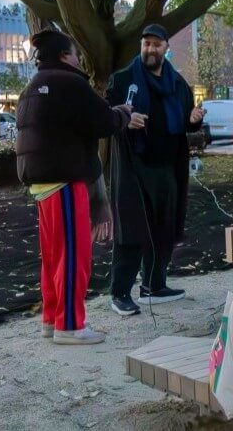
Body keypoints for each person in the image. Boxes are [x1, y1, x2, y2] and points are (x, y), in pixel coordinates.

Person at [15, 29, 145, 344]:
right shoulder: (71, 83)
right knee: (74, 256)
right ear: (64, 55)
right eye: (74, 53)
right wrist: (125, 113)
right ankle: (71, 326)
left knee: (52, 257)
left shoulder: (31, 88)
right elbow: (103, 122)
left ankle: (52, 319)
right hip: (66, 182)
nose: (78, 58)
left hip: (41, 185)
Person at [106, 24, 205, 316]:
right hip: (134, 167)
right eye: (146, 43)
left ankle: (154, 285)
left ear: (166, 48)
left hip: (168, 167)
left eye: (156, 44)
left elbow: (186, 123)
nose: (150, 49)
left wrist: (195, 119)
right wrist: (125, 118)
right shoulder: (123, 80)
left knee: (164, 227)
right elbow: (106, 116)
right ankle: (120, 292)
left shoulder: (177, 83)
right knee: (133, 229)